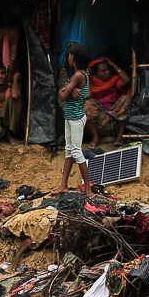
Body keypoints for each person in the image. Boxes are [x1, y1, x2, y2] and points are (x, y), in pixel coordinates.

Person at [56, 43, 94, 197]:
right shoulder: (80, 75)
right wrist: (68, 89)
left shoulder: (78, 75)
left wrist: (63, 89)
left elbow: (63, 96)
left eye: (70, 55)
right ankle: (63, 185)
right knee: (69, 150)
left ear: (73, 58)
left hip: (76, 118)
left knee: (77, 152)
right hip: (70, 117)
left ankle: (88, 189)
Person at [84, 56, 132, 149]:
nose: (108, 72)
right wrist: (87, 78)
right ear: (95, 73)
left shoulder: (113, 81)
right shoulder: (89, 84)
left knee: (127, 99)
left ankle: (120, 137)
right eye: (103, 71)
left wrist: (113, 64)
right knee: (88, 104)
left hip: (116, 119)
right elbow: (89, 96)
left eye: (109, 69)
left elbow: (127, 80)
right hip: (99, 123)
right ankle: (95, 137)